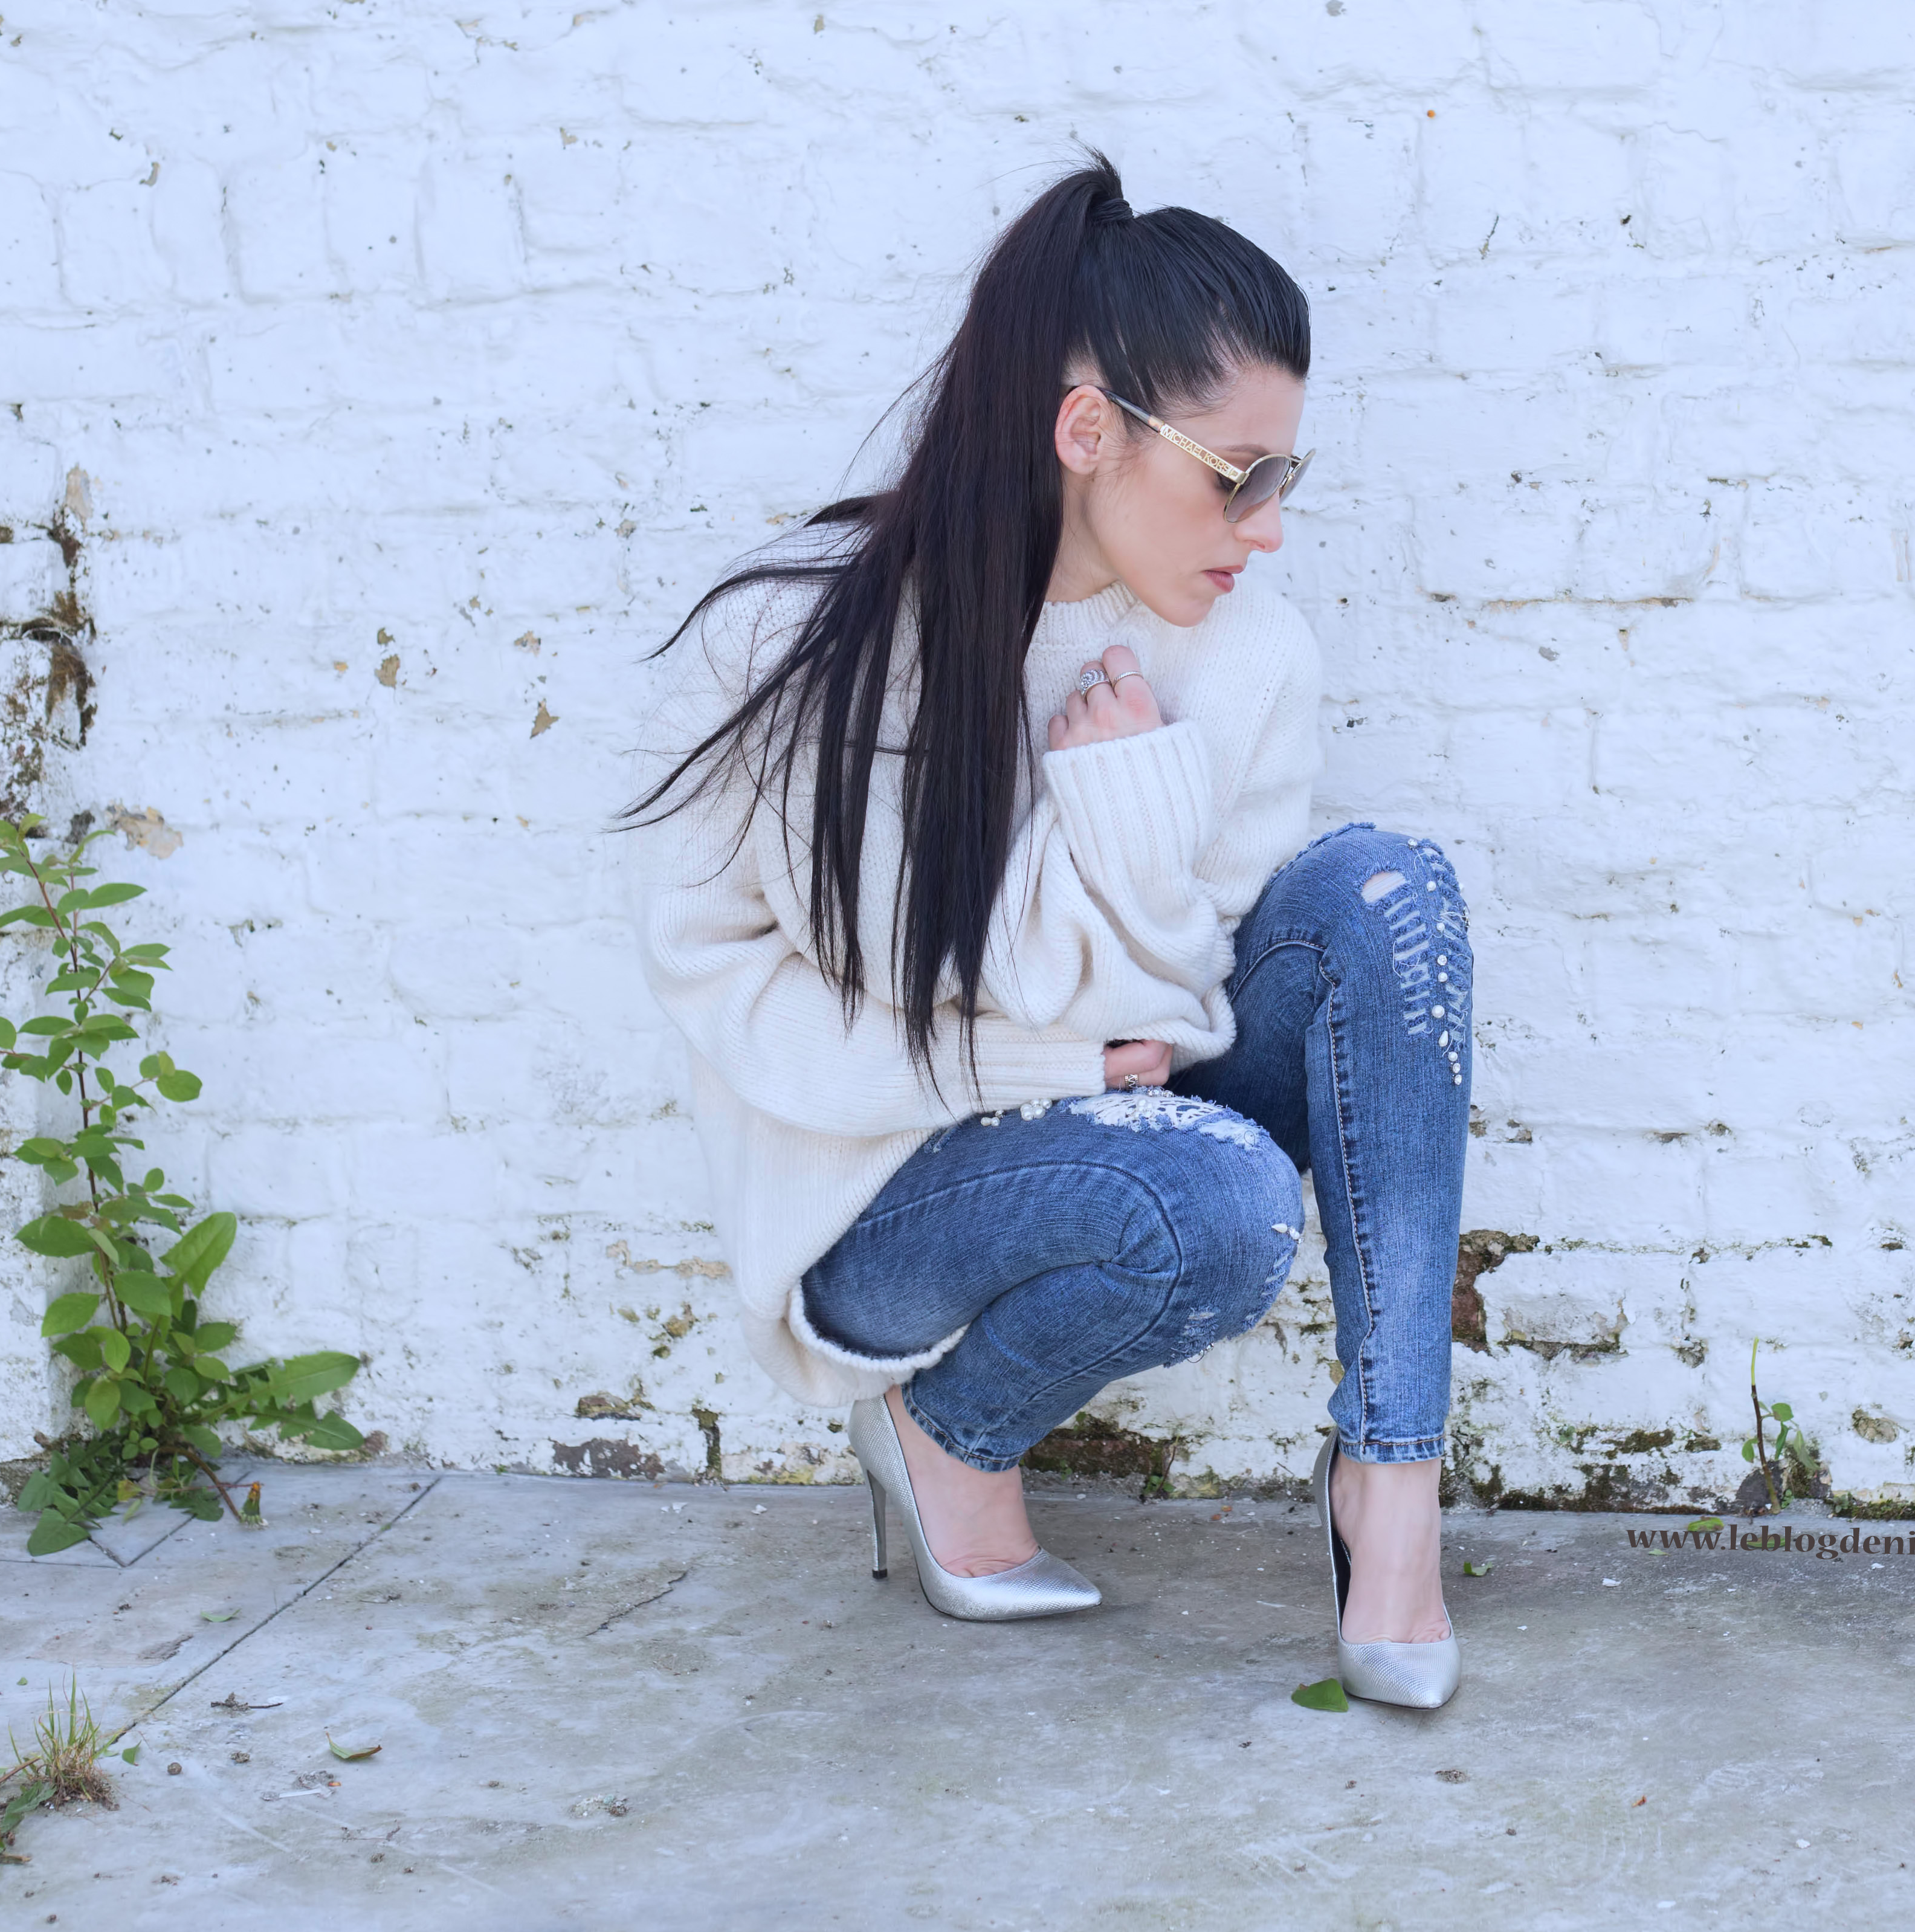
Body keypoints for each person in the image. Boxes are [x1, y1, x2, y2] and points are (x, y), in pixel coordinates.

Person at [626, 155, 1468, 1707]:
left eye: (1283, 479)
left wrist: (1127, 826)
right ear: (1090, 433)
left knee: (1387, 892)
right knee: (1224, 1208)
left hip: (1113, 1107)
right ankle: (947, 1429)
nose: (1267, 529)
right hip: (882, 1184)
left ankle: (1392, 1483)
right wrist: (1057, 1032)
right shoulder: (812, 639)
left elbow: (1175, 1011)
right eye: (1236, 475)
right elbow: (779, 985)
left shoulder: (1251, 656)